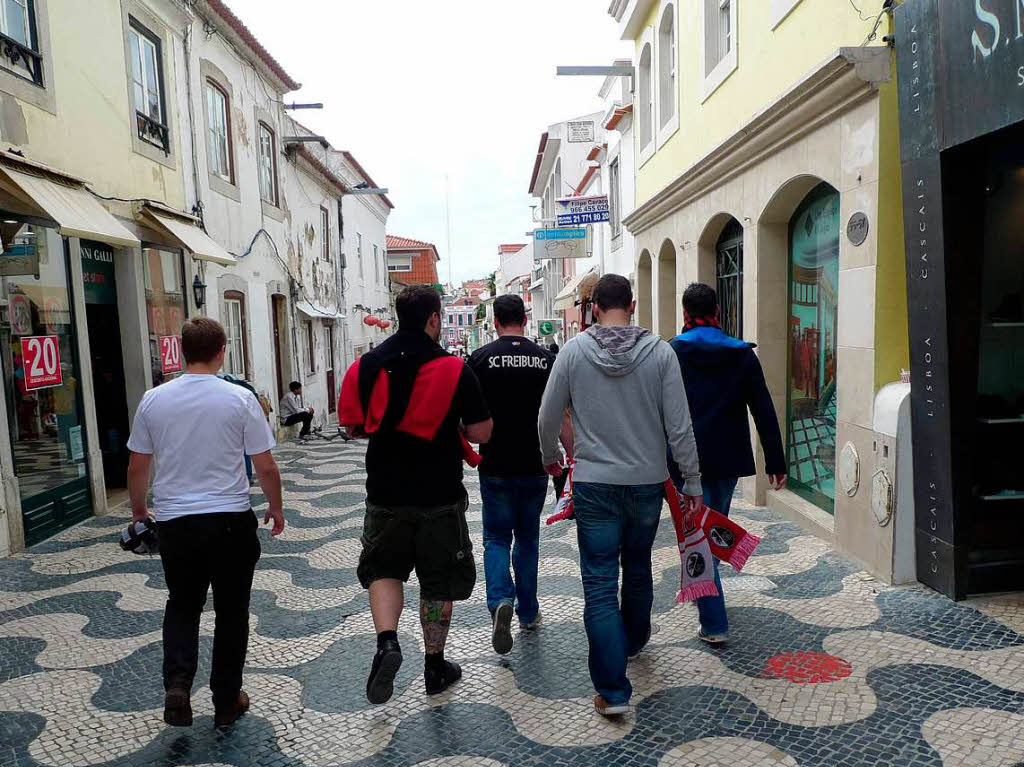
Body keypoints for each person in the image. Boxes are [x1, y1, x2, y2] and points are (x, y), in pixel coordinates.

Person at [538, 274, 702, 717]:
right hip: (647, 483)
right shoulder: (662, 353)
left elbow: (547, 417)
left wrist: (552, 457)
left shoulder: (572, 353)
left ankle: (612, 692)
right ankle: (633, 640)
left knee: (598, 582)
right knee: (638, 564)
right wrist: (692, 482)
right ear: (631, 305)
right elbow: (680, 426)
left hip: (594, 485)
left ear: (593, 309)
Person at [126, 317, 285, 729]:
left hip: (177, 523)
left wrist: (140, 512)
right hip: (230, 521)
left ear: (182, 351)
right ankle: (227, 699)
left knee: (182, 605)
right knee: (232, 612)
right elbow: (264, 465)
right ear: (221, 351)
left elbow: (138, 464)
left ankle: (178, 684)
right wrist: (276, 507)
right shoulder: (239, 399)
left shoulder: (153, 400)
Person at [339, 284, 492, 705]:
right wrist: (450, 427)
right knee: (438, 580)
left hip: (385, 490)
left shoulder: (365, 365)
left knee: (384, 569)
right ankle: (434, 665)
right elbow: (481, 433)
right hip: (438, 492)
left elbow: (352, 426)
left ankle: (388, 643)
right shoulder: (454, 368)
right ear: (433, 319)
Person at [669, 283, 787, 644]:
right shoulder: (742, 355)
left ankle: (714, 621)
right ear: (717, 312)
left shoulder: (671, 353)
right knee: (711, 525)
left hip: (684, 460)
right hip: (728, 460)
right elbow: (763, 409)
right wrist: (776, 461)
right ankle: (707, 587)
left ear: (685, 314)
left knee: (696, 534)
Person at [469, 295, 552, 654]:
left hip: (496, 465)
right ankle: (529, 611)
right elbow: (561, 413)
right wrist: (566, 458)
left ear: (495, 320)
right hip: (534, 465)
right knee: (528, 540)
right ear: (524, 319)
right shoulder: (545, 360)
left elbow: (467, 415)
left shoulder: (480, 359)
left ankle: (501, 600)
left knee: (497, 539)